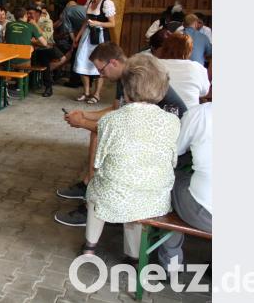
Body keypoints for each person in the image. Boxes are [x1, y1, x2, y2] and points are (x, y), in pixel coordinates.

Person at [54, 43, 187, 227]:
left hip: (162, 137)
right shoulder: (128, 76)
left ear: (114, 63)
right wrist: (85, 115)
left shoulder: (134, 79)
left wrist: (83, 123)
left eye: (101, 70)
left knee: (99, 136)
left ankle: (91, 203)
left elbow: (116, 123)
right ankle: (87, 184)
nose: (101, 75)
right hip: (154, 133)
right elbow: (117, 110)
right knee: (96, 133)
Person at [80, 54, 180, 259]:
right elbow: (173, 160)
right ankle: (134, 255)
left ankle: (90, 246)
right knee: (135, 196)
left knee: (98, 187)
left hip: (114, 194)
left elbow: (99, 161)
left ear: (126, 89)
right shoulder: (172, 121)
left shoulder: (111, 120)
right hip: (155, 199)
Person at [157, 102, 212, 272]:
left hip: (206, 213)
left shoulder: (201, 114)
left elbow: (175, 151)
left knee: (169, 179)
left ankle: (170, 264)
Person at [72, 0, 116, 104]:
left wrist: (98, 23)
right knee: (82, 61)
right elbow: (86, 21)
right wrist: (78, 36)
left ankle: (96, 94)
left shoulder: (107, 3)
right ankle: (86, 92)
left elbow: (112, 23)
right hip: (87, 35)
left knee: (99, 65)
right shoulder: (89, 2)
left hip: (100, 36)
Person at [157, 33, 211, 109]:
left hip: (160, 114)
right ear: (189, 51)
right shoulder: (197, 67)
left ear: (164, 48)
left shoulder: (155, 64)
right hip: (190, 115)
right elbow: (204, 92)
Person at [59, 0, 87, 87]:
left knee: (75, 56)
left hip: (86, 31)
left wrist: (74, 41)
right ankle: (86, 82)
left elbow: (69, 29)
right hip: (95, 32)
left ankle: (74, 81)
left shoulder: (66, 11)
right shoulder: (82, 8)